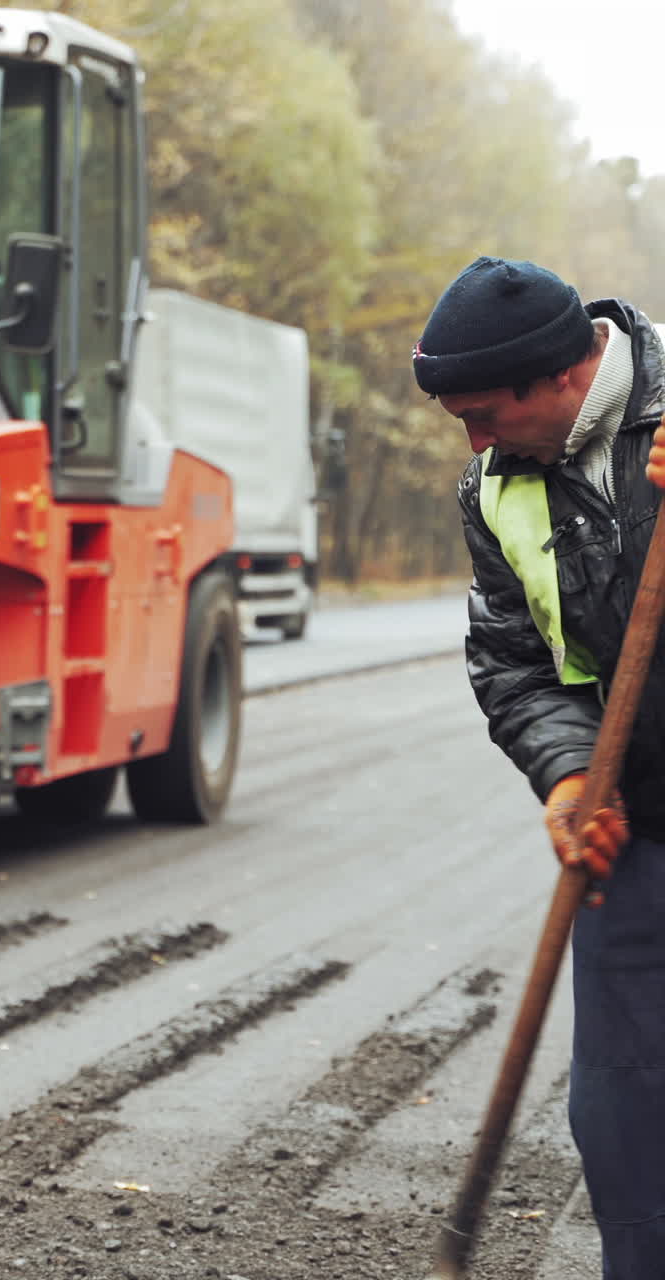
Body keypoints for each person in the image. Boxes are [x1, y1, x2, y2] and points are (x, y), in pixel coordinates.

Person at [413, 255, 665, 1278]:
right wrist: (568, 778)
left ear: (559, 377)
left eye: (481, 413)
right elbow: (512, 656)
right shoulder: (493, 488)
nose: (471, 442)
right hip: (634, 818)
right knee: (620, 1115)